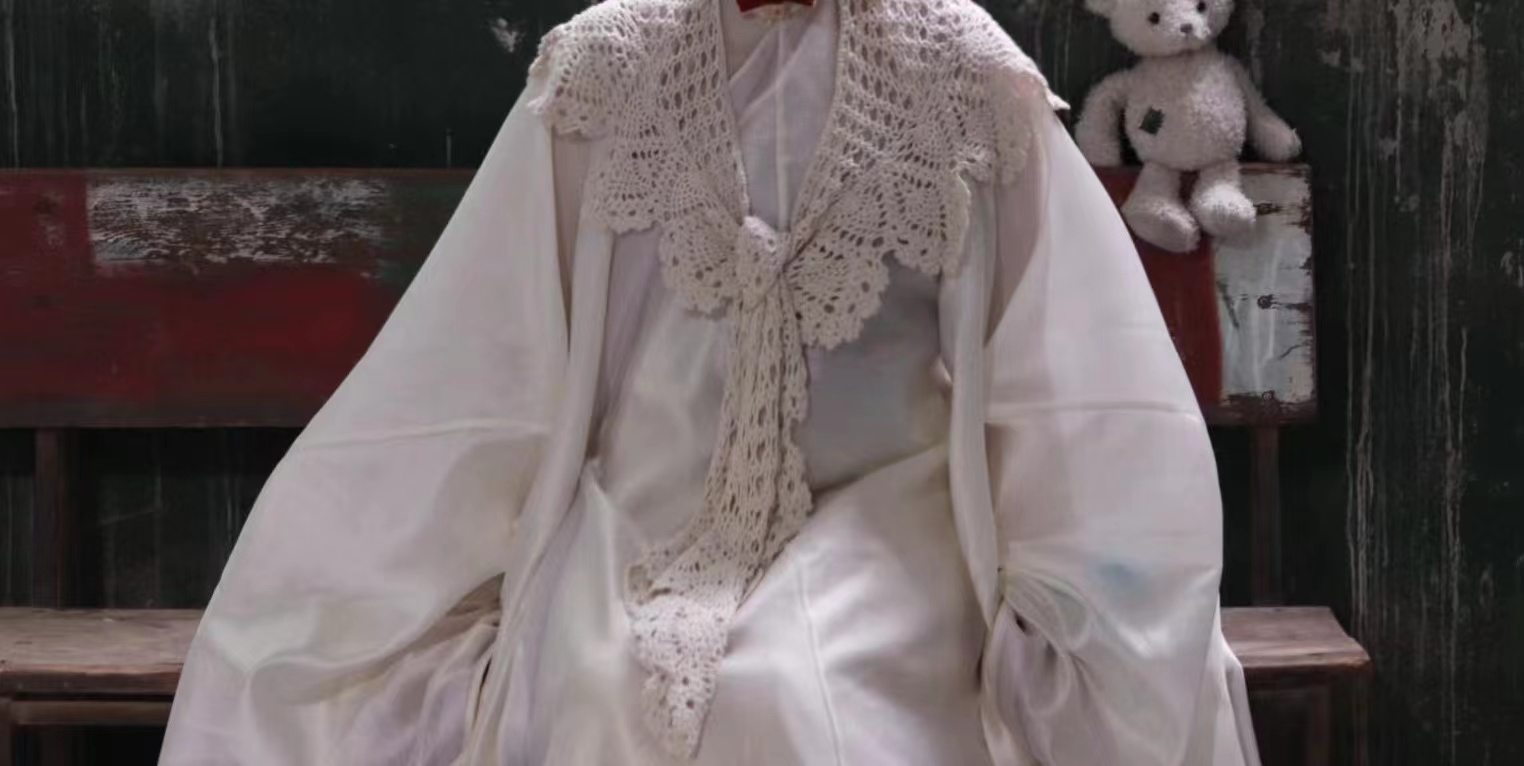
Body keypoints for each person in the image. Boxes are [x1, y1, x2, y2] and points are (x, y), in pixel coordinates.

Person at [161, 1, 1262, 763]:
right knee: (605, 688)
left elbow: (1067, 365)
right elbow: (489, 338)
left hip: (886, 520)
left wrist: (1082, 583)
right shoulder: (609, 64)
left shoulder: (961, 71)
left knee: (795, 695)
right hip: (637, 511)